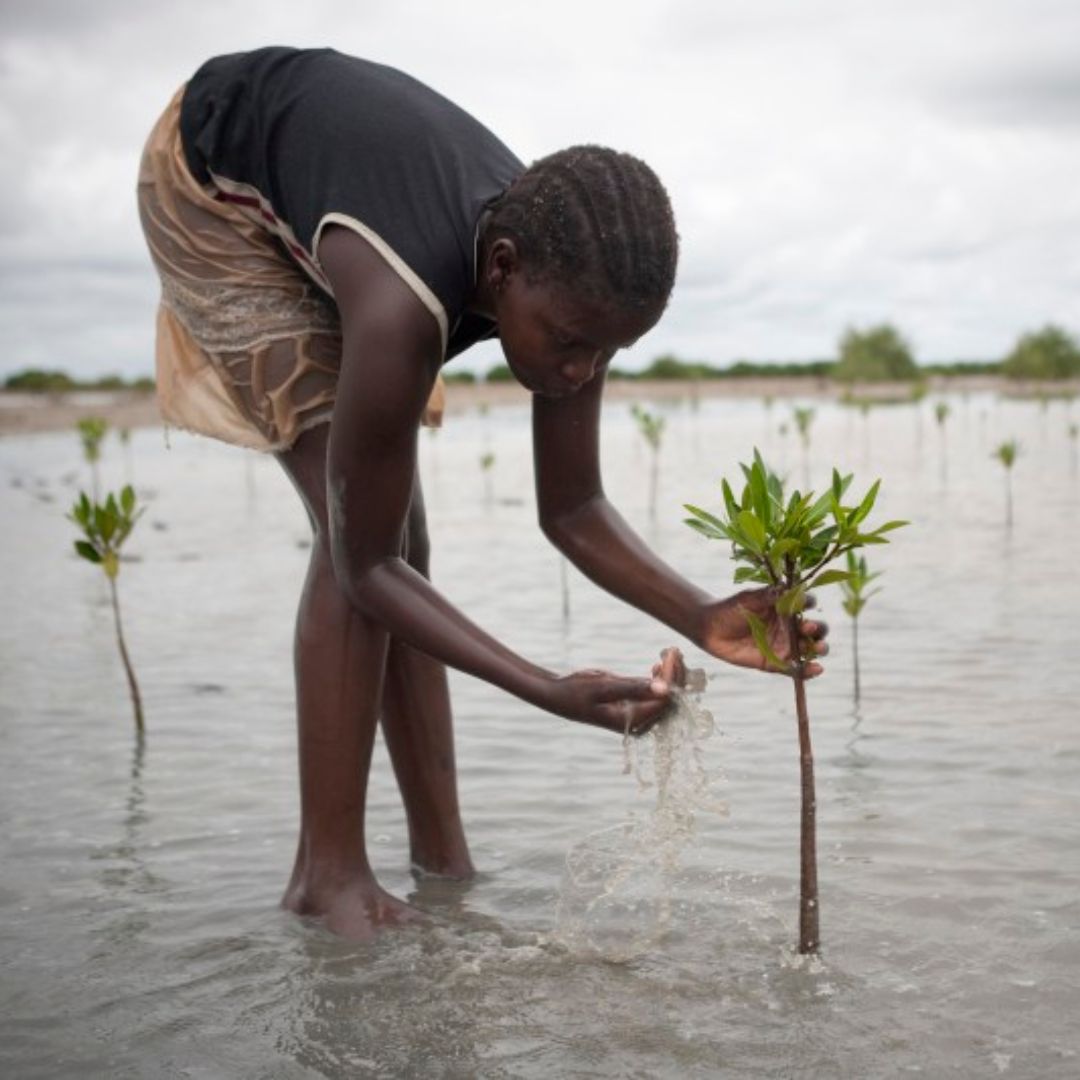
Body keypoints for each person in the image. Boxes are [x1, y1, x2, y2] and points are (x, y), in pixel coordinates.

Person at [137, 46, 828, 939]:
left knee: (398, 543)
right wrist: (546, 688)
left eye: (609, 353)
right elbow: (366, 563)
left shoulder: (571, 280)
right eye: (572, 341)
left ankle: (442, 861)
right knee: (365, 539)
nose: (582, 370)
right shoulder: (405, 302)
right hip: (214, 179)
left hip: (344, 189)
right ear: (500, 271)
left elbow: (572, 507)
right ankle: (327, 877)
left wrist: (701, 615)